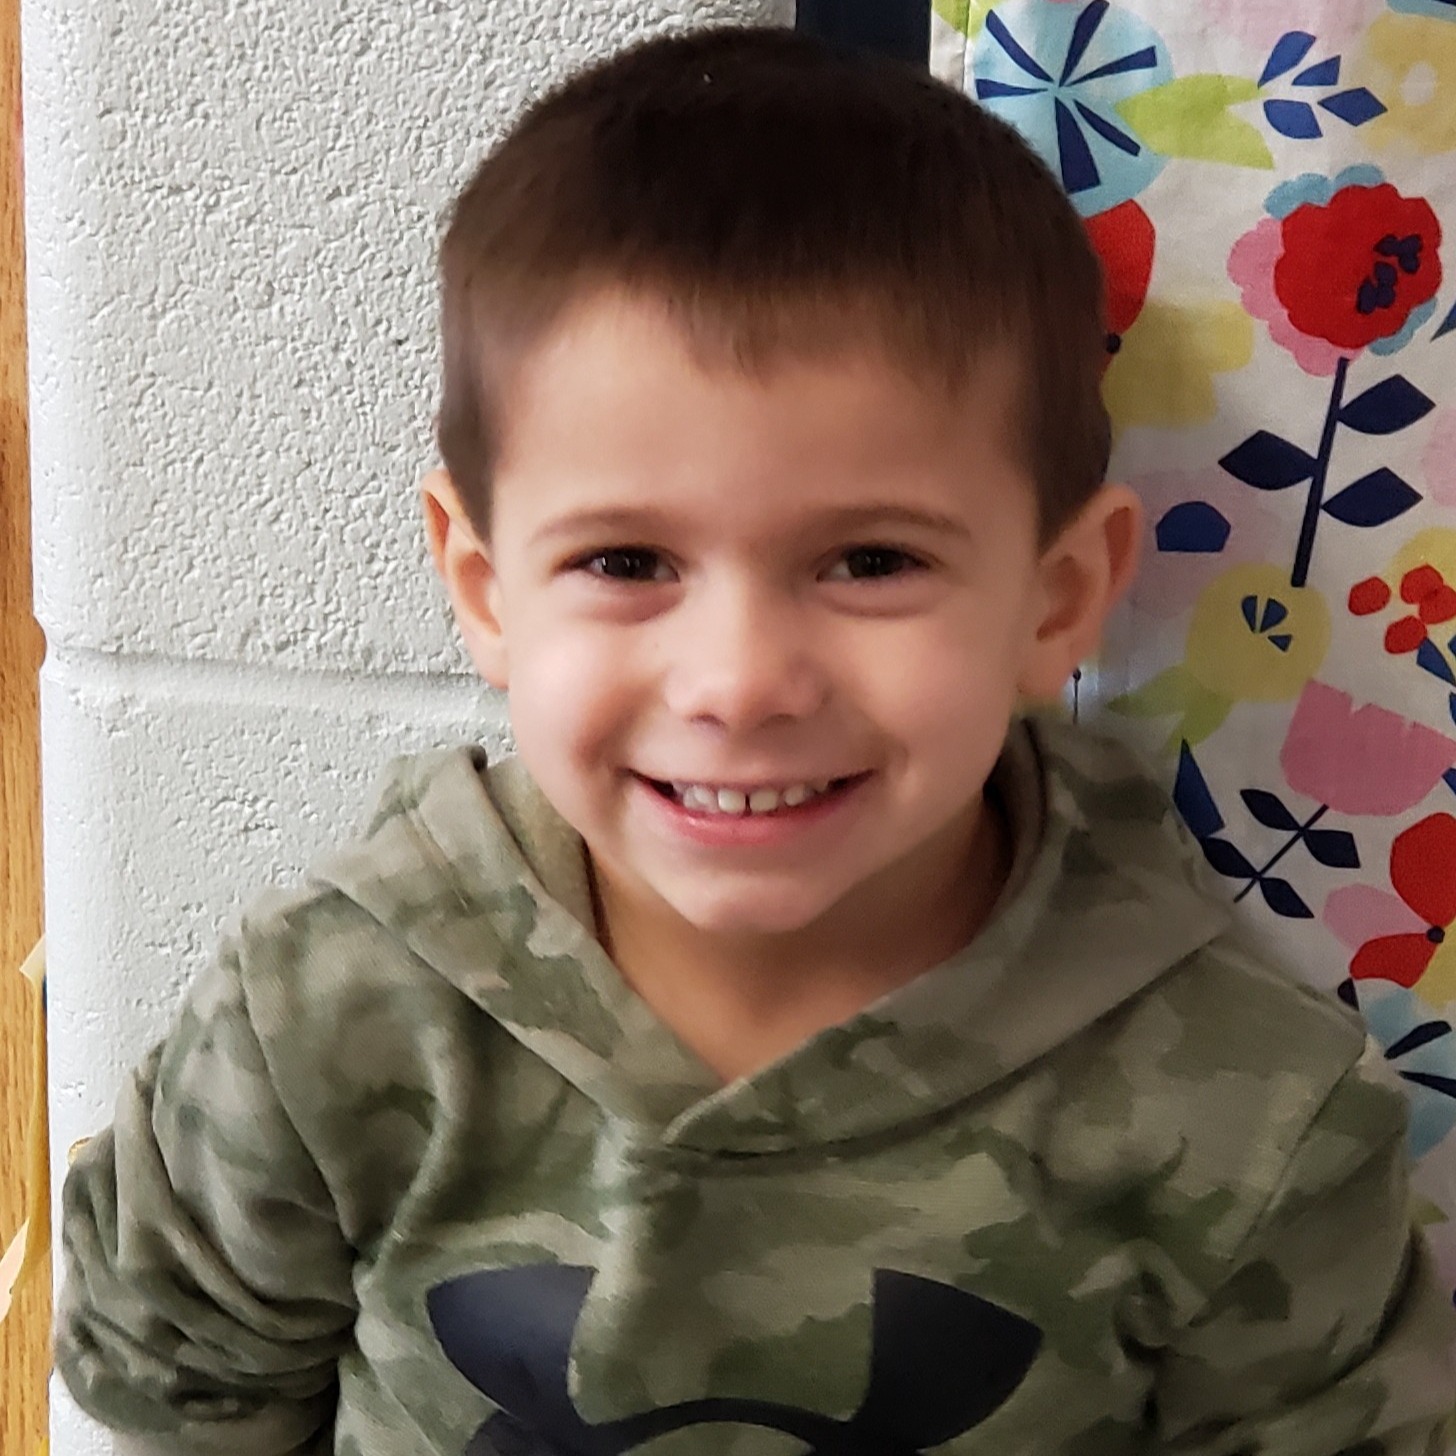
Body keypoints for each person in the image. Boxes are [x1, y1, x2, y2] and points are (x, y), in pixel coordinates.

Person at [55, 24, 1456, 1456]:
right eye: (625, 562)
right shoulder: (320, 1018)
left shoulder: (1244, 1116)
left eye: (867, 563)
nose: (736, 683)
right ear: (483, 589)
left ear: (1059, 598)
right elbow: (186, 1403)